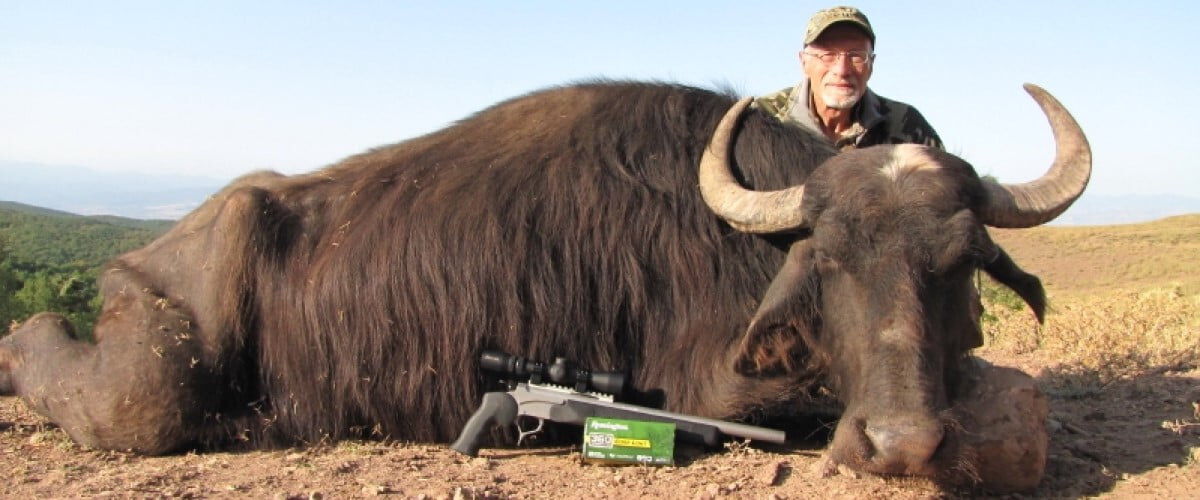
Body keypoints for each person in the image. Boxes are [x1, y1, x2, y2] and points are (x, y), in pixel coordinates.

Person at [756, 6, 943, 151]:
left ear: (871, 64)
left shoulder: (908, 126)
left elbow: (953, 192)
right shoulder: (761, 118)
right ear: (804, 62)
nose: (842, 70)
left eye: (856, 56)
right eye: (828, 55)